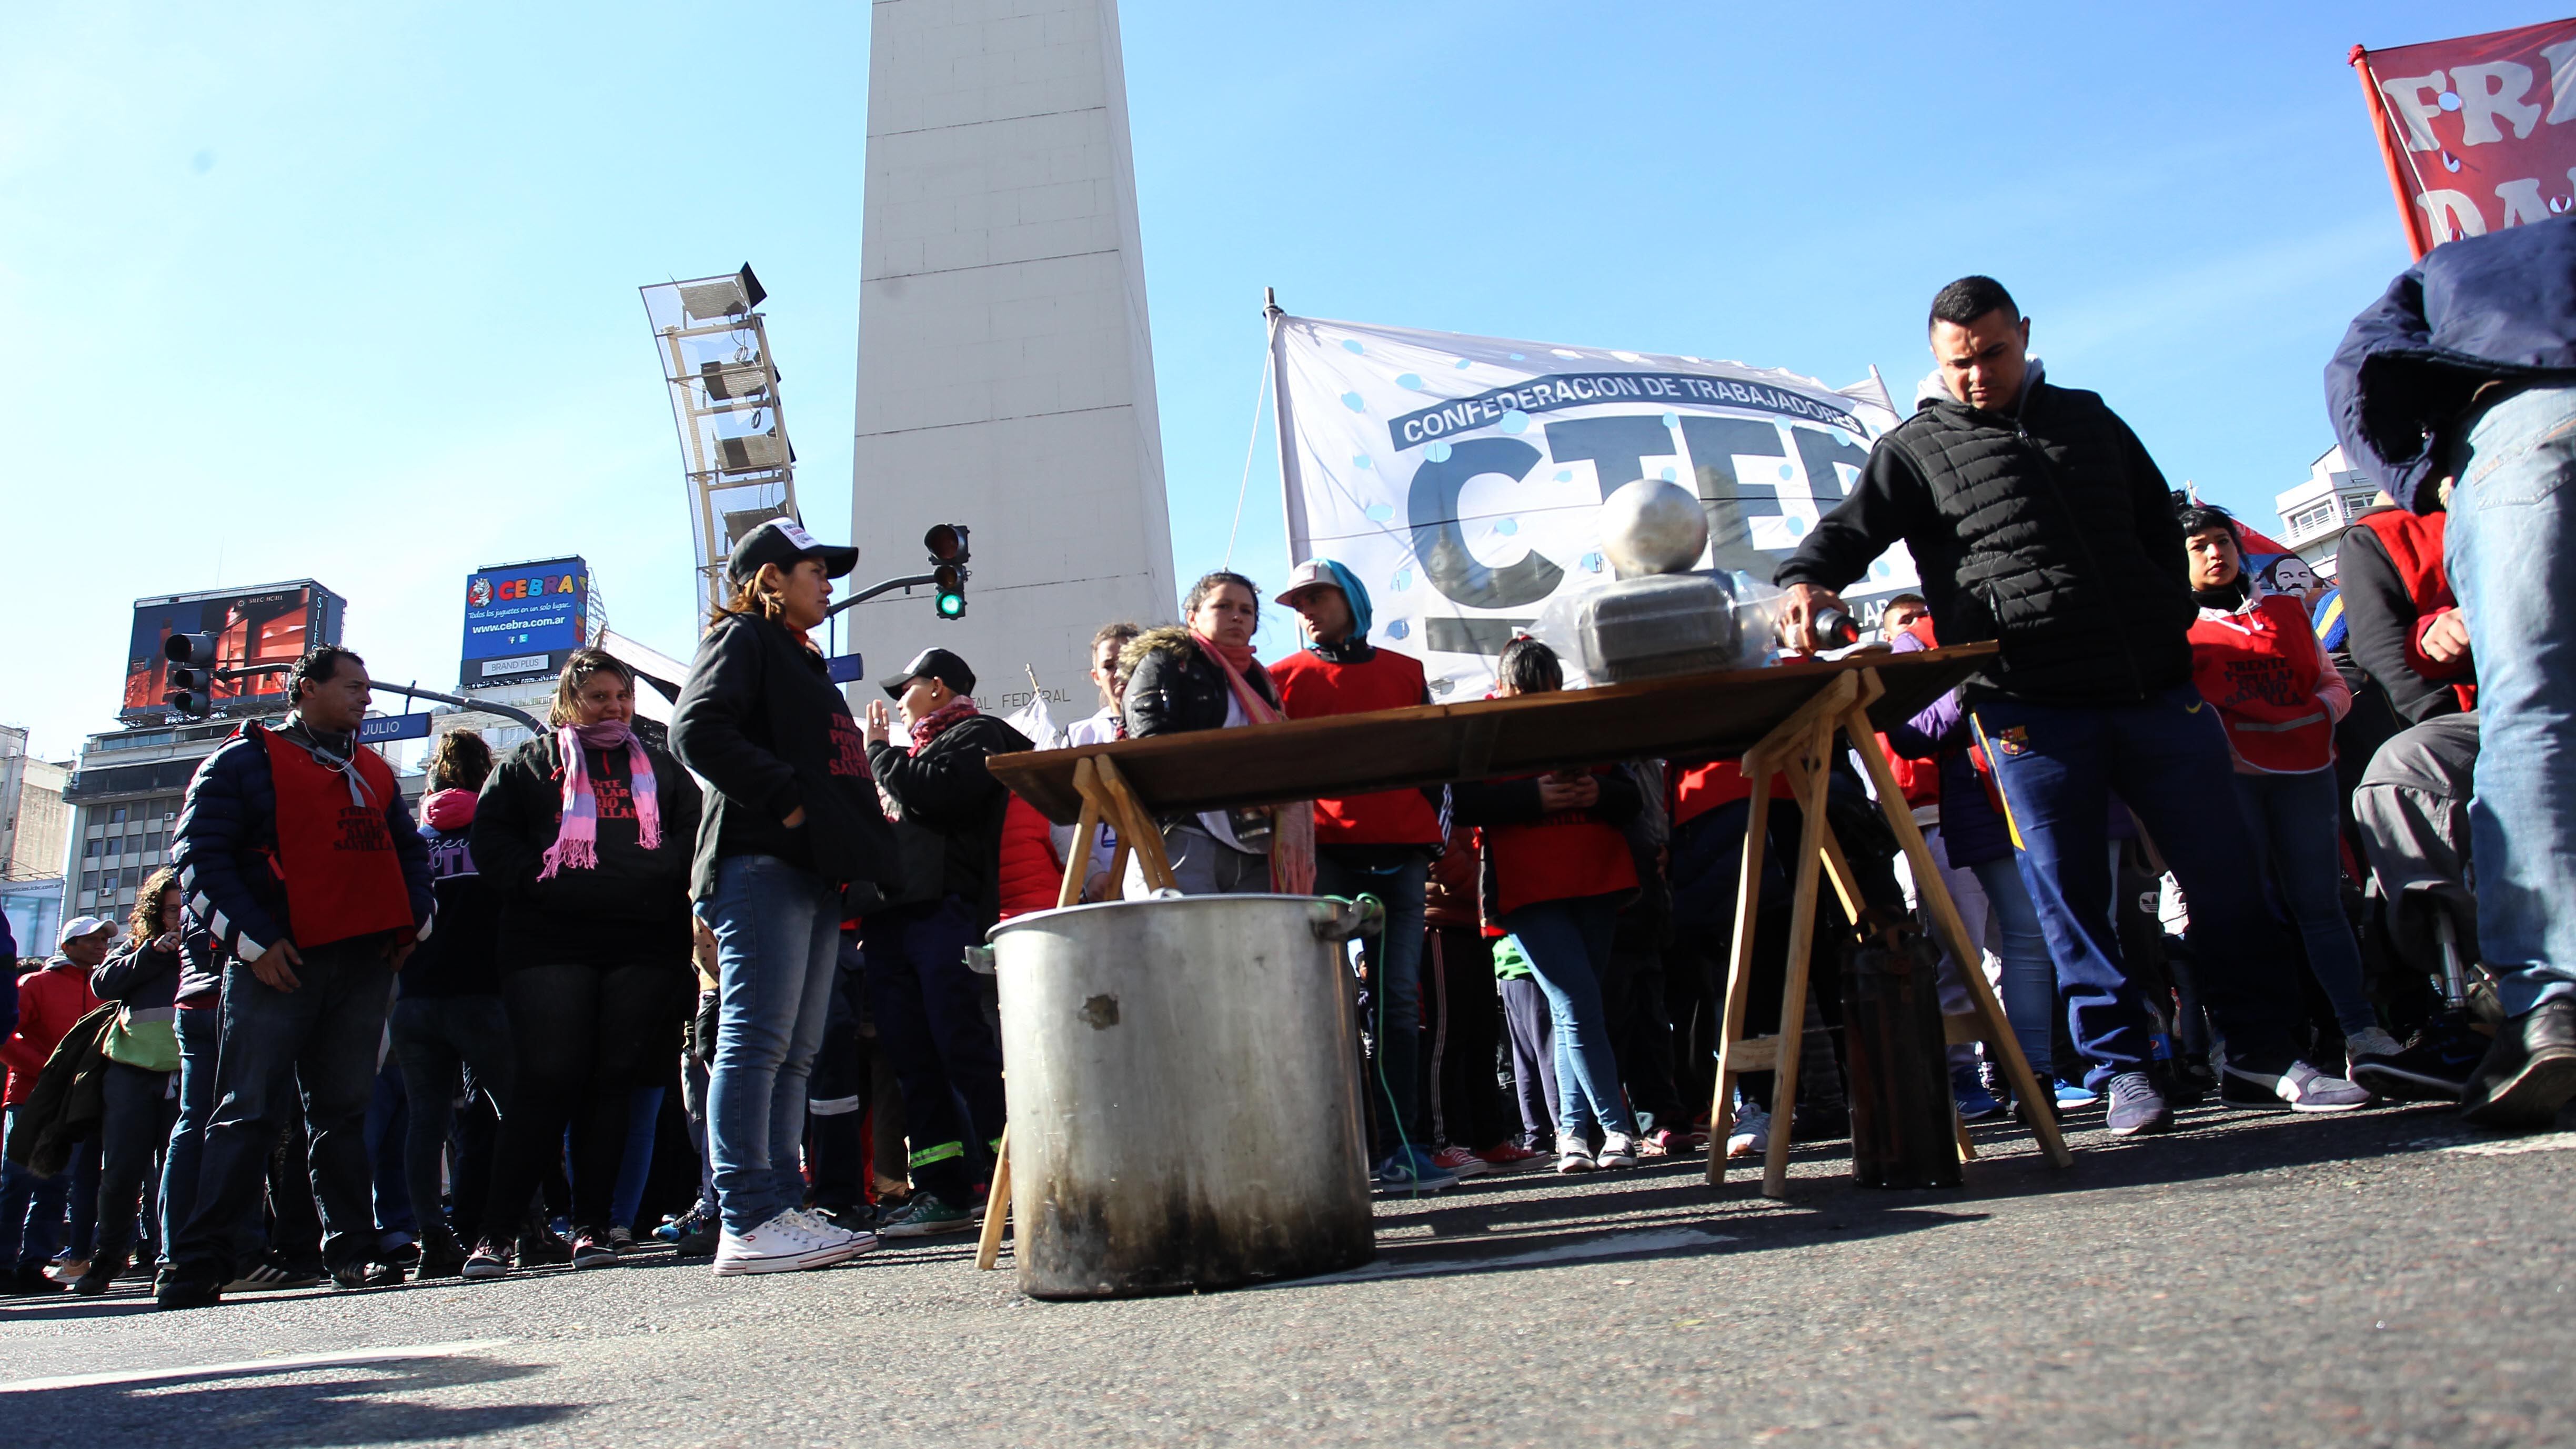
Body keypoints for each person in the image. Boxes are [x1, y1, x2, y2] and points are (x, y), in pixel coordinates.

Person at [1777, 274, 2369, 1137]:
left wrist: (2162, 612)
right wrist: (1805, 578)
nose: (1978, 373)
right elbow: (1848, 530)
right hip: (2028, 707)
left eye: (1993, 353)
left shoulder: (2090, 418)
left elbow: (2158, 524)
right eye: (1959, 362)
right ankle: (2120, 1068)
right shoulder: (1915, 449)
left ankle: (2263, 1050)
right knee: (2070, 897)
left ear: (2023, 334)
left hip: (2155, 693)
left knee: (2228, 876)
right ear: (1935, 359)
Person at [2328, 213, 2576, 1129]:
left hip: (2516, 426)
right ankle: (2460, 992)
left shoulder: (2448, 269)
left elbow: (2355, 371)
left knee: (2532, 711)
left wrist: (2428, 478)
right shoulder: (2372, 548)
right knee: (2458, 745)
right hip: (2511, 425)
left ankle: (2548, 998)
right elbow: (2388, 662)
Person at [158, 644, 437, 1308]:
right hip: (276, 964)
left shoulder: (372, 770)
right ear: (306, 688)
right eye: (353, 686)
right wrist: (255, 943)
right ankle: (199, 1260)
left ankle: (353, 1251)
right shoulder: (241, 760)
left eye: (367, 687)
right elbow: (198, 856)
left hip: (361, 963)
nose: (366, 697)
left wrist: (412, 925)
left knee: (344, 1114)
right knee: (246, 1113)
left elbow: (409, 854)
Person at [670, 518, 895, 1274]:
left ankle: (778, 1205)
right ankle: (747, 1215)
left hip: (811, 870)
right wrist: (788, 801)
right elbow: (694, 729)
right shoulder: (743, 638)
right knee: (758, 1039)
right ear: (770, 577)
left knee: (796, 1050)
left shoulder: (799, 655)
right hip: (760, 862)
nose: (828, 584)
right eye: (815, 570)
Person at [459, 652, 702, 1277]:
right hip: (549, 942)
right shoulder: (527, 764)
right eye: (598, 697)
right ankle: (497, 1233)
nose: (613, 707)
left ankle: (593, 1227)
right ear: (570, 702)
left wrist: (654, 874)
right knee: (546, 1082)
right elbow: (491, 839)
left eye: (621, 696)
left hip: (642, 942)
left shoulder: (662, 766)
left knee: (612, 1082)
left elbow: (691, 836)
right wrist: (539, 883)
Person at [2178, 504, 2400, 1069]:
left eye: (2223, 541)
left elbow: (2334, 682)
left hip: (2307, 772)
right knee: (2246, 914)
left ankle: (2362, 1031)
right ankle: (2257, 1046)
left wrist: (2320, 714)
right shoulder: (2174, 630)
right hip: (2230, 783)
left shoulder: (2287, 612)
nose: (2215, 553)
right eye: (2200, 545)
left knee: (2321, 908)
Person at [1267, 559, 1453, 1188]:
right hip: (1323, 857)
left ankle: (1402, 1147)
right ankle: (1334, 1151)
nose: (1307, 611)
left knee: (1397, 1002)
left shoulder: (1406, 672)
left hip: (1401, 854)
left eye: (1316, 598)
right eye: (1299, 604)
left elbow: (1436, 762)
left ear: (1350, 598)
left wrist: (1432, 841)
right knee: (1322, 1003)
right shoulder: (1281, 679)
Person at [1451, 638, 1645, 1173]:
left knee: (1573, 1011)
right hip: (1529, 890)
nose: (1539, 700)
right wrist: (1532, 798)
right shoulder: (1484, 730)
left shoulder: (1584, 721)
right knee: (1579, 1003)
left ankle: (1572, 1136)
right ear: (1503, 688)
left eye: (1548, 690)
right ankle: (1616, 1130)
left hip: (1597, 878)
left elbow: (1632, 798)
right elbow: (1461, 802)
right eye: (1527, 691)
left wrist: (1598, 792)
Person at [858, 646, 1028, 1236]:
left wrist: (879, 753)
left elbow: (935, 793)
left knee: (963, 1047)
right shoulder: (914, 751)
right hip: (890, 921)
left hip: (945, 914)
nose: (897, 704)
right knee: (912, 1056)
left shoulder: (978, 735)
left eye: (904, 689)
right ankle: (942, 1189)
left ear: (936, 686)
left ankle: (1018, 1176)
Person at [387, 730, 512, 1278]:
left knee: (425, 1123)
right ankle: (525, 1229)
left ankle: (434, 1240)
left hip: (415, 999)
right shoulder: (494, 833)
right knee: (515, 1112)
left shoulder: (413, 842)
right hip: (482, 993)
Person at [1120, 571, 1312, 894]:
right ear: (1192, 617)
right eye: (1223, 606)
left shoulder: (1260, 682)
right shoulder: (1166, 663)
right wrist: (1241, 787)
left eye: (1246, 610)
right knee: (1183, 928)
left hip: (1256, 841)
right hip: (1185, 831)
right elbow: (1150, 747)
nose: (1237, 616)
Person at [77, 876, 192, 1293]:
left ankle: (172, 1258)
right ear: (155, 913)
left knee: (178, 1170)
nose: (177, 918)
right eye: (170, 910)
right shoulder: (135, 949)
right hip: (131, 1072)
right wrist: (151, 954)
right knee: (121, 1171)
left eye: (183, 909)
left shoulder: (205, 949)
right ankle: (108, 1258)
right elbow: (102, 984)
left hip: (186, 1073)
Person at [0, 915, 110, 1295]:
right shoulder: (36, 984)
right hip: (29, 1097)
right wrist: (48, 1072)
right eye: (91, 939)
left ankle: (34, 1265)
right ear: (67, 946)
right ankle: (3, 1263)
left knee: (55, 1185)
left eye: (103, 940)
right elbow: (6, 1037)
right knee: (17, 1181)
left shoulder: (105, 989)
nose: (100, 946)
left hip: (76, 1103)